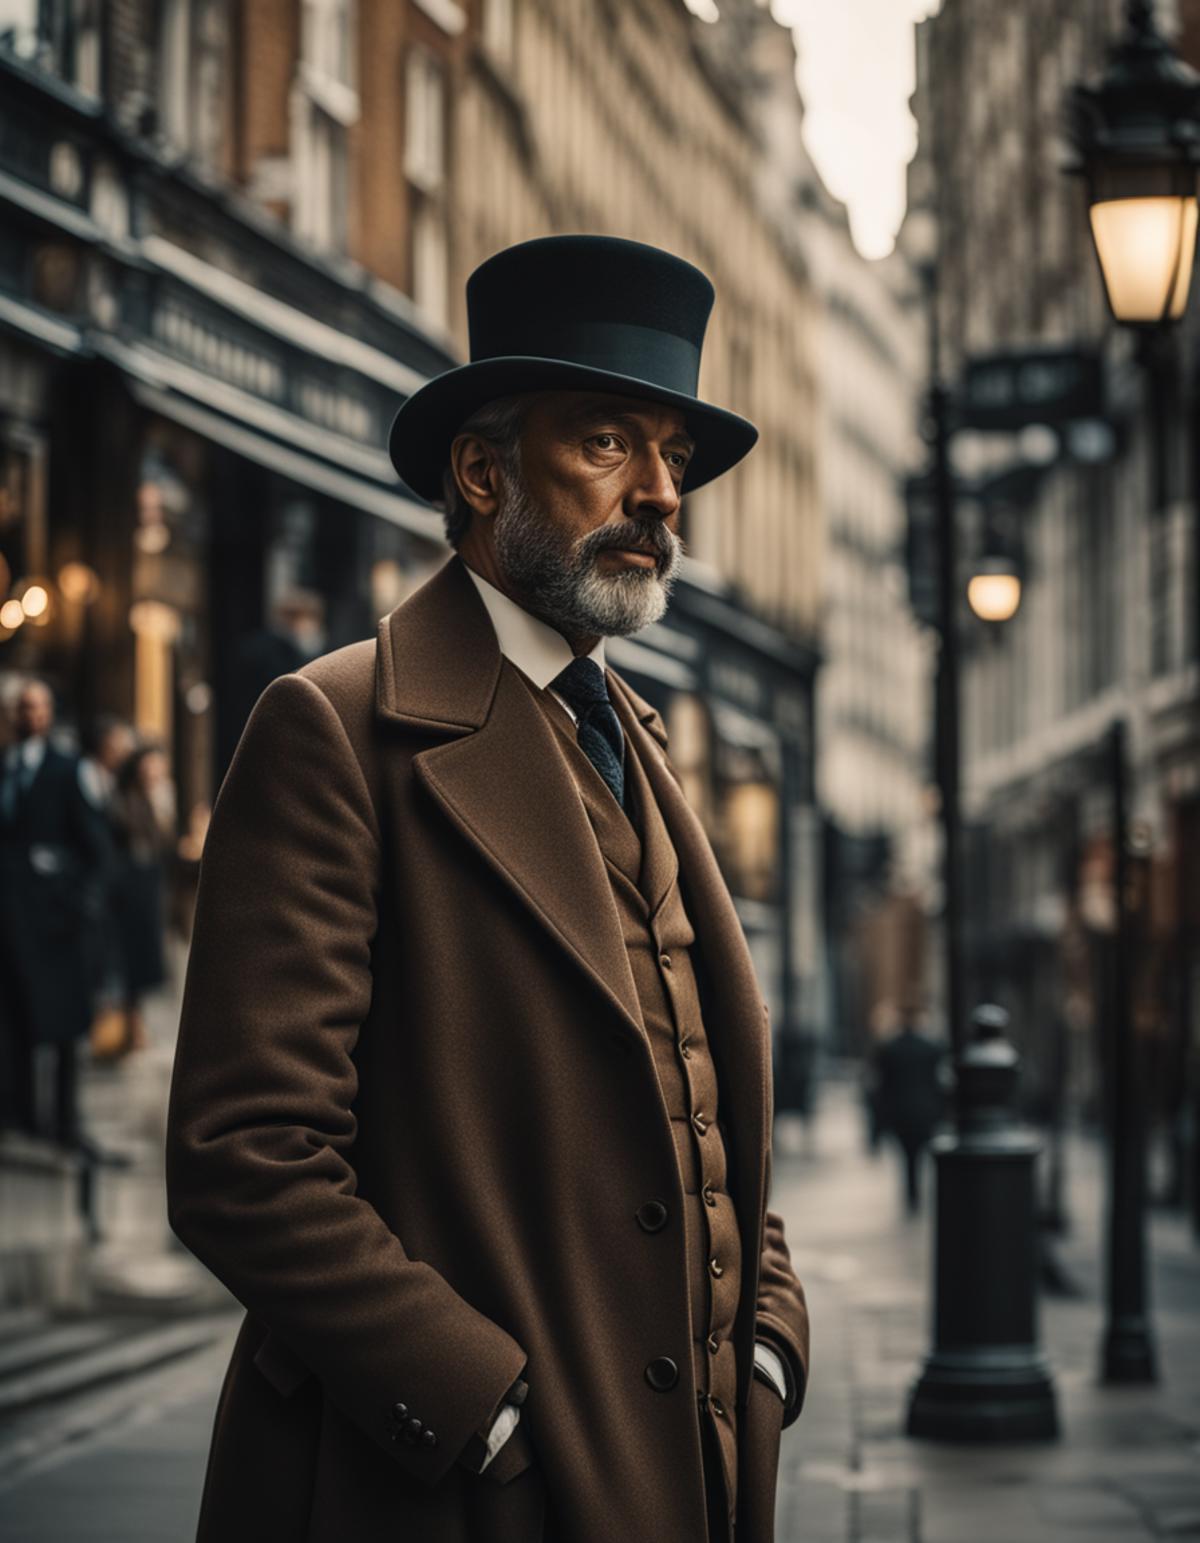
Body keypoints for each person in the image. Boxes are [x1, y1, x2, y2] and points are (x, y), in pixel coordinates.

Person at [165, 234, 810, 1543]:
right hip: (456, 1493)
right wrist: (481, 1404)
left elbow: (699, 1104)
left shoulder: (644, 738)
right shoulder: (335, 729)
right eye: (610, 443)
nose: (662, 493)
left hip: (694, 1471)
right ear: (482, 469)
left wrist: (772, 1340)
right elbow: (246, 1156)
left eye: (674, 457)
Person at [0, 679, 113, 1156]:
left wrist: (65, 886)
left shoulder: (68, 771)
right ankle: (21, 1118)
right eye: (24, 708)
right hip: (9, 922)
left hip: (53, 923)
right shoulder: (5, 767)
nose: (32, 716)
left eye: (40, 707)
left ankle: (64, 1122)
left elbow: (95, 848)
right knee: (14, 1022)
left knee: (64, 1025)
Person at [109, 742, 177, 1055]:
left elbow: (164, 842)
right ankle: (129, 1026)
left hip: (150, 889)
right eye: (150, 766)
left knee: (144, 962)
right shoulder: (125, 800)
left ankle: (135, 1026)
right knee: (131, 963)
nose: (155, 772)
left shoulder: (156, 798)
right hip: (130, 893)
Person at [875, 1011, 947, 1215]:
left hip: (901, 1112)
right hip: (925, 1111)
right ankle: (916, 1193)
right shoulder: (931, 1048)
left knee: (908, 1156)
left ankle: (911, 1194)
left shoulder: (891, 1049)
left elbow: (883, 1085)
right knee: (919, 1155)